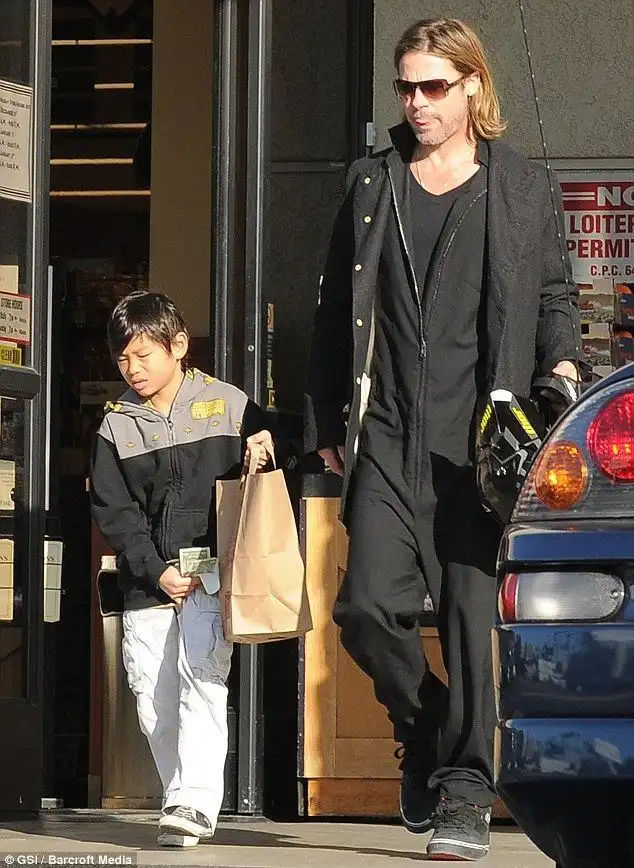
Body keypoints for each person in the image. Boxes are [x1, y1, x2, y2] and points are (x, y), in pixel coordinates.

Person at [304, 17, 583, 863]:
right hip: (388, 433)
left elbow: (554, 296)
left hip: (480, 442)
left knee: (468, 621)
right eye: (406, 87)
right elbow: (334, 309)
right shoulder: (372, 180)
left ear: (472, 86)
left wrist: (561, 372)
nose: (417, 103)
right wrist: (325, 421)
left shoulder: (521, 186)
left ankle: (465, 791)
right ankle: (426, 727)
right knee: (363, 609)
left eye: (433, 86)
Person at [90, 291, 275, 848]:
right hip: (148, 580)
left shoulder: (228, 404)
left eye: (143, 355)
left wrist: (269, 444)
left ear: (177, 346)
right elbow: (114, 511)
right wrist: (154, 571)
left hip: (211, 574)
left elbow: (276, 452)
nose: (132, 368)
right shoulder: (115, 426)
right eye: (123, 358)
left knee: (203, 681)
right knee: (152, 697)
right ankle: (181, 796)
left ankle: (193, 803)